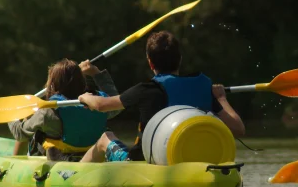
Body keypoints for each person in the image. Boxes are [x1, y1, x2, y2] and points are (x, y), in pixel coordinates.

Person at [77, 31, 245, 162]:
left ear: (150, 63)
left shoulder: (147, 89)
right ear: (180, 59)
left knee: (105, 138)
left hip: (146, 161)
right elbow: (238, 129)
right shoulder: (203, 86)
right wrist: (221, 98)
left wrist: (84, 97)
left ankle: (73, 177)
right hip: (193, 158)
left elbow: (101, 105)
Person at [8, 58, 121, 161]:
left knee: (28, 122)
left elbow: (20, 133)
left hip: (60, 163)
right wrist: (96, 72)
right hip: (92, 158)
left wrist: (12, 114)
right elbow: (115, 102)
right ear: (82, 81)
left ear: (53, 84)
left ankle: (14, 164)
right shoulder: (98, 104)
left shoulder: (49, 111)